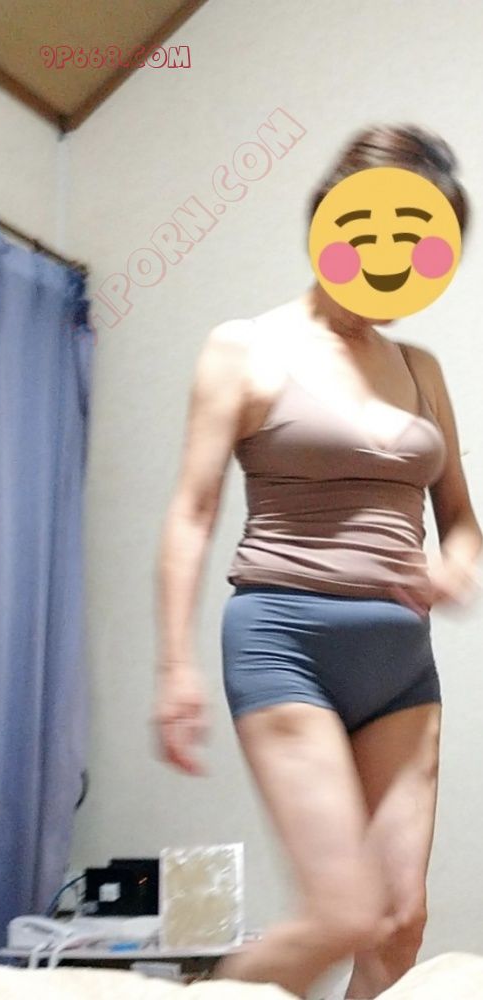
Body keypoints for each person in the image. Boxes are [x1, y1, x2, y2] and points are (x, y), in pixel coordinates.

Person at [152, 125, 482, 999]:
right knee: (343, 913)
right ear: (333, 219)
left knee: (398, 924)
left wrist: (455, 568)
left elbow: (461, 522)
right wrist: (175, 664)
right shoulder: (245, 348)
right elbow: (192, 510)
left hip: (401, 666)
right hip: (283, 642)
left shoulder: (421, 367)